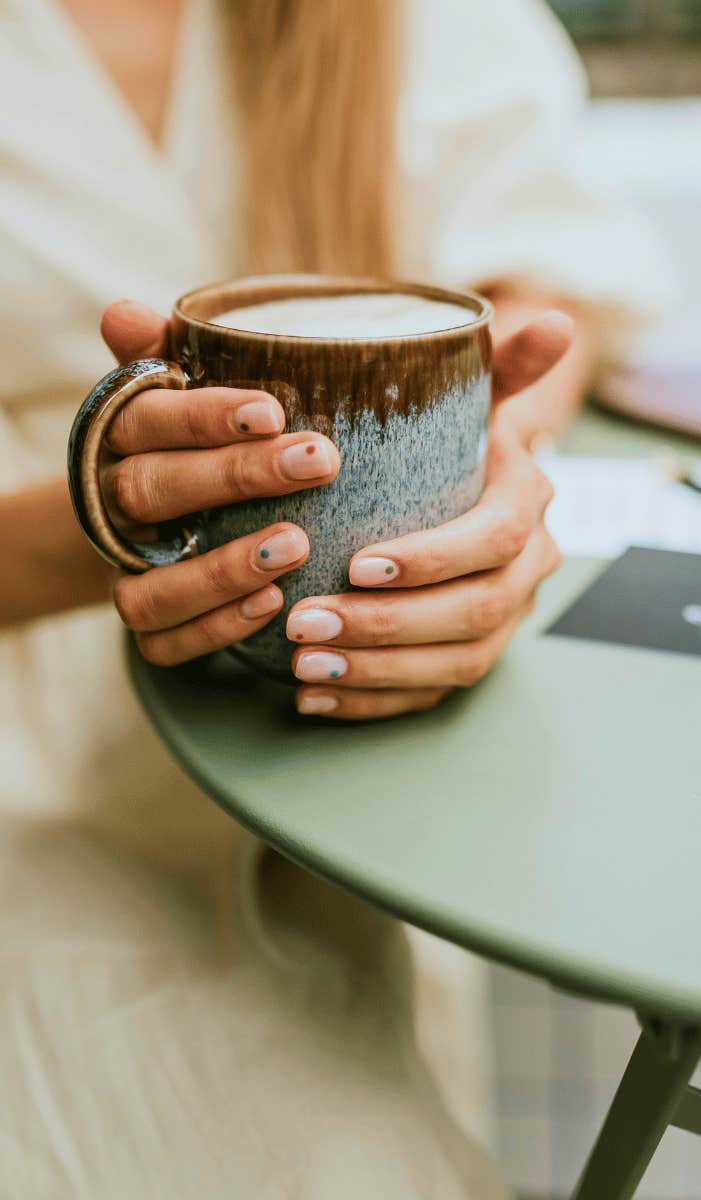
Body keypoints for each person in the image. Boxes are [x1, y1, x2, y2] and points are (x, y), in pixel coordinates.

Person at [0, 0, 667, 1194]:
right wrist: (107, 523)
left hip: (329, 740)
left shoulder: (415, 23)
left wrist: (482, 475)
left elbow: (527, 289)